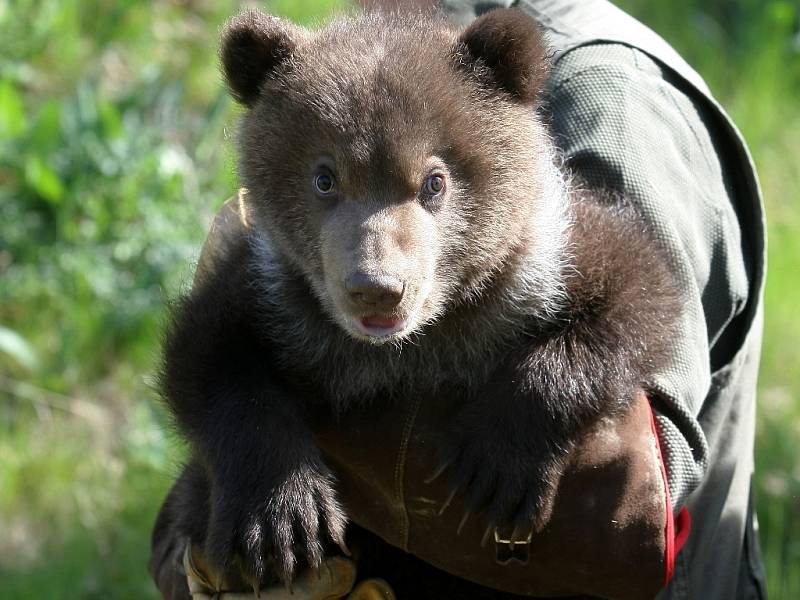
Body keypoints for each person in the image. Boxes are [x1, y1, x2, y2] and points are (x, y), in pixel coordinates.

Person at [150, 1, 767, 598]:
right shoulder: (364, 57)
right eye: (325, 183)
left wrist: (532, 410)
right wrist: (249, 481)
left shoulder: (615, 93)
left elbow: (642, 369)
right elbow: (209, 364)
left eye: (430, 189)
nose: (374, 269)